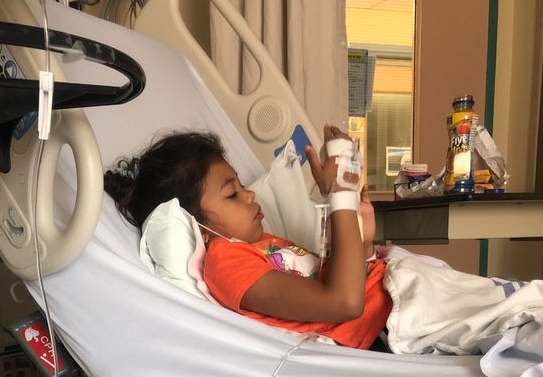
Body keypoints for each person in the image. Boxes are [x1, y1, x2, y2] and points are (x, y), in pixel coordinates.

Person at [104, 125, 392, 350]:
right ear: (198, 227)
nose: (250, 194)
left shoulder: (262, 244)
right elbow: (344, 302)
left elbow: (340, 282)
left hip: (385, 310)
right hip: (379, 334)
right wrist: (340, 194)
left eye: (241, 185)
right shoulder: (227, 262)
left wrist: (362, 246)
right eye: (232, 194)